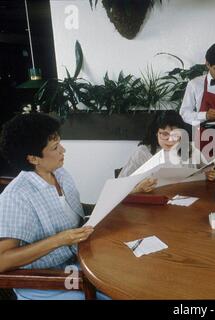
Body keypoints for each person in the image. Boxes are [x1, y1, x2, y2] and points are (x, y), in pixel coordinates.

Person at [0, 113, 152, 300]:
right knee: (121, 293)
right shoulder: (16, 196)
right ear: (33, 158)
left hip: (79, 260)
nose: (63, 150)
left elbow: (78, 213)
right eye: (55, 147)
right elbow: (2, 260)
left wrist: (127, 192)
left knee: (136, 279)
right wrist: (58, 240)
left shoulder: (60, 174)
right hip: (45, 279)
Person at [118, 111, 215, 181]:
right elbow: (121, 182)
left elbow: (205, 170)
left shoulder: (188, 148)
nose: (170, 140)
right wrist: (138, 188)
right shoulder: (143, 152)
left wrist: (209, 174)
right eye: (165, 134)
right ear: (156, 133)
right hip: (152, 203)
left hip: (183, 199)